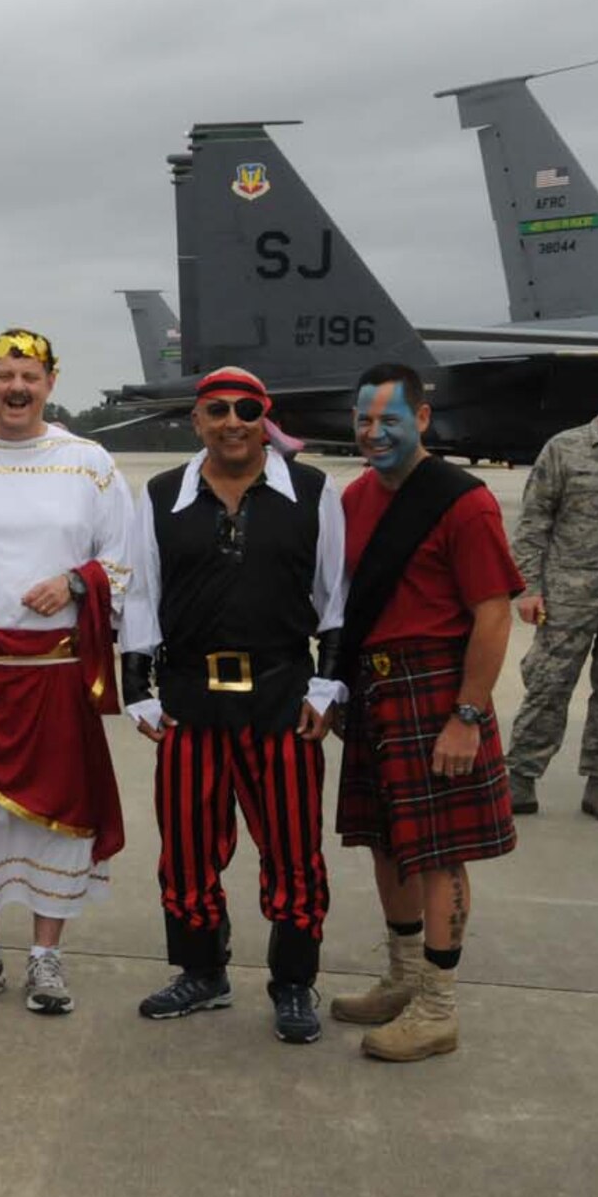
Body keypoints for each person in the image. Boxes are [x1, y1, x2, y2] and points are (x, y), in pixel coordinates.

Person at [121, 366, 346, 1044]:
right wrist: (138, 687)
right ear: (196, 421)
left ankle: (294, 983)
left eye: (246, 409)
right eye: (216, 410)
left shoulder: (311, 490)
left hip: (281, 696)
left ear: (265, 416)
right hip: (191, 700)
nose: (232, 422)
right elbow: (140, 595)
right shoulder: (162, 496)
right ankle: (201, 971)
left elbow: (335, 597)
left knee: (293, 849)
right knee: (187, 847)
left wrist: (326, 686)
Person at [0, 329, 134, 1017]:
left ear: (50, 384)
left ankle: (46, 958)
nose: (18, 387)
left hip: (56, 674)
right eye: (6, 374)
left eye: (31, 376)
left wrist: (78, 583)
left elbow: (128, 561)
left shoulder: (88, 463)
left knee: (58, 822)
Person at [329, 363, 521, 1061]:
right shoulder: (353, 498)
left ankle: (438, 1006)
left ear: (423, 420)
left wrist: (467, 715)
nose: (373, 434)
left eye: (389, 421)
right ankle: (404, 979)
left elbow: (493, 613)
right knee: (386, 841)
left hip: (438, 691)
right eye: (363, 420)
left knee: (440, 851)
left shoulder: (462, 503)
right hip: (377, 690)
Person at [503, 357, 598, 824]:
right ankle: (520, 777)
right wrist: (529, 587)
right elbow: (534, 523)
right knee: (548, 683)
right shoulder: (566, 449)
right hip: (572, 593)